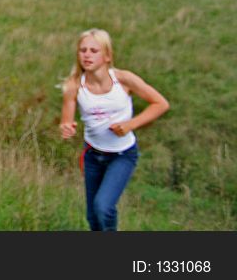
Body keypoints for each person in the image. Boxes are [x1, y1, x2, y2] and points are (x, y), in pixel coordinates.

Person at [59, 28, 169, 231]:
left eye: (94, 50)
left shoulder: (124, 79)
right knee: (92, 217)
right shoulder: (74, 86)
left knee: (103, 207)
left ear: (107, 55)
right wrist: (67, 128)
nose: (87, 55)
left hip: (122, 155)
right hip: (92, 155)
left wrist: (130, 125)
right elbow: (66, 121)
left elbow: (160, 103)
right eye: (83, 50)